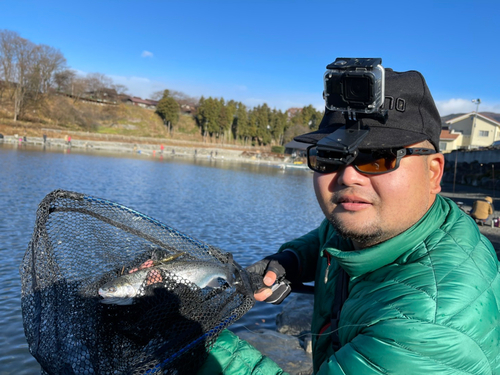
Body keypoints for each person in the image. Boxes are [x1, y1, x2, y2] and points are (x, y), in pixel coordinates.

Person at [198, 64, 500, 374]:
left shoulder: (430, 323)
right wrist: (291, 260)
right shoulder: (411, 221)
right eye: (330, 155)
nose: (348, 176)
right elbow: (331, 235)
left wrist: (196, 346)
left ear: (433, 172)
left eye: (378, 157)